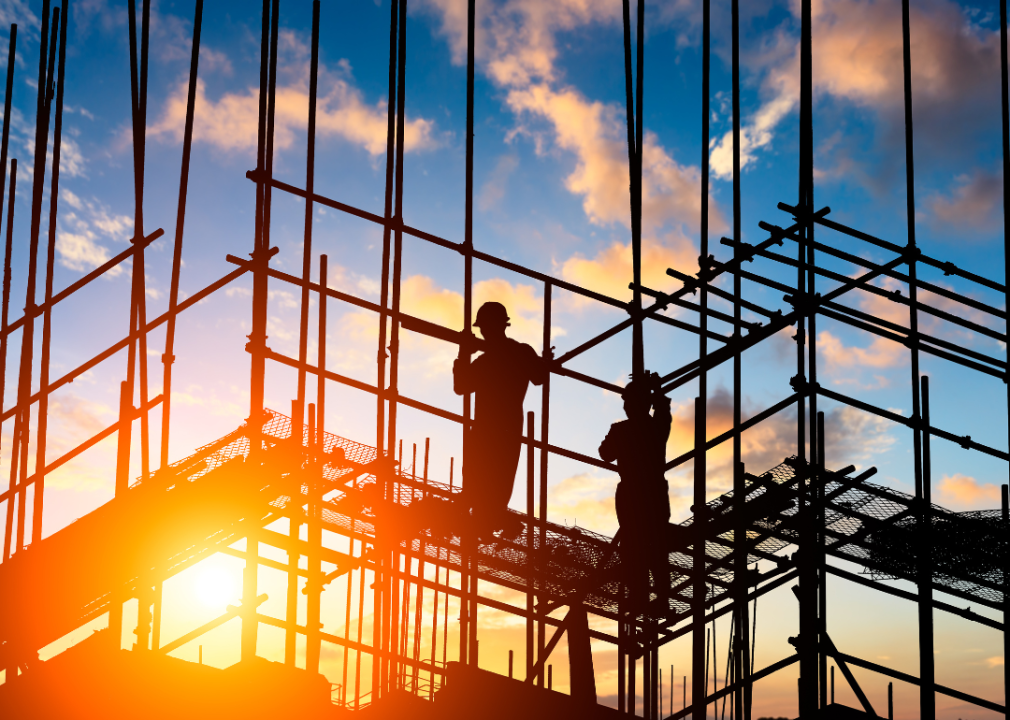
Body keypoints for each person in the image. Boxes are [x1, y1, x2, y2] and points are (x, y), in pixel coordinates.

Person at [454, 301, 550, 538]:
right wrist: (544, 361)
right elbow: (539, 377)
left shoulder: (489, 360)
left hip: (490, 428)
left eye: (485, 328)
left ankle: (482, 522)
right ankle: (484, 521)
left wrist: (463, 352)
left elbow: (460, 386)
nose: (484, 333)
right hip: (504, 428)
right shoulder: (519, 353)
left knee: (485, 478)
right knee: (494, 479)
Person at [598, 371, 672, 612]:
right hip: (652, 492)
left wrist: (655, 391)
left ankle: (642, 596)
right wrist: (657, 390)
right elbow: (663, 410)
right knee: (653, 546)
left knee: (637, 546)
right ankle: (657, 598)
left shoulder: (622, 430)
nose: (626, 406)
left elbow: (606, 454)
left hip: (634, 492)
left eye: (628, 402)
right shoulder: (656, 426)